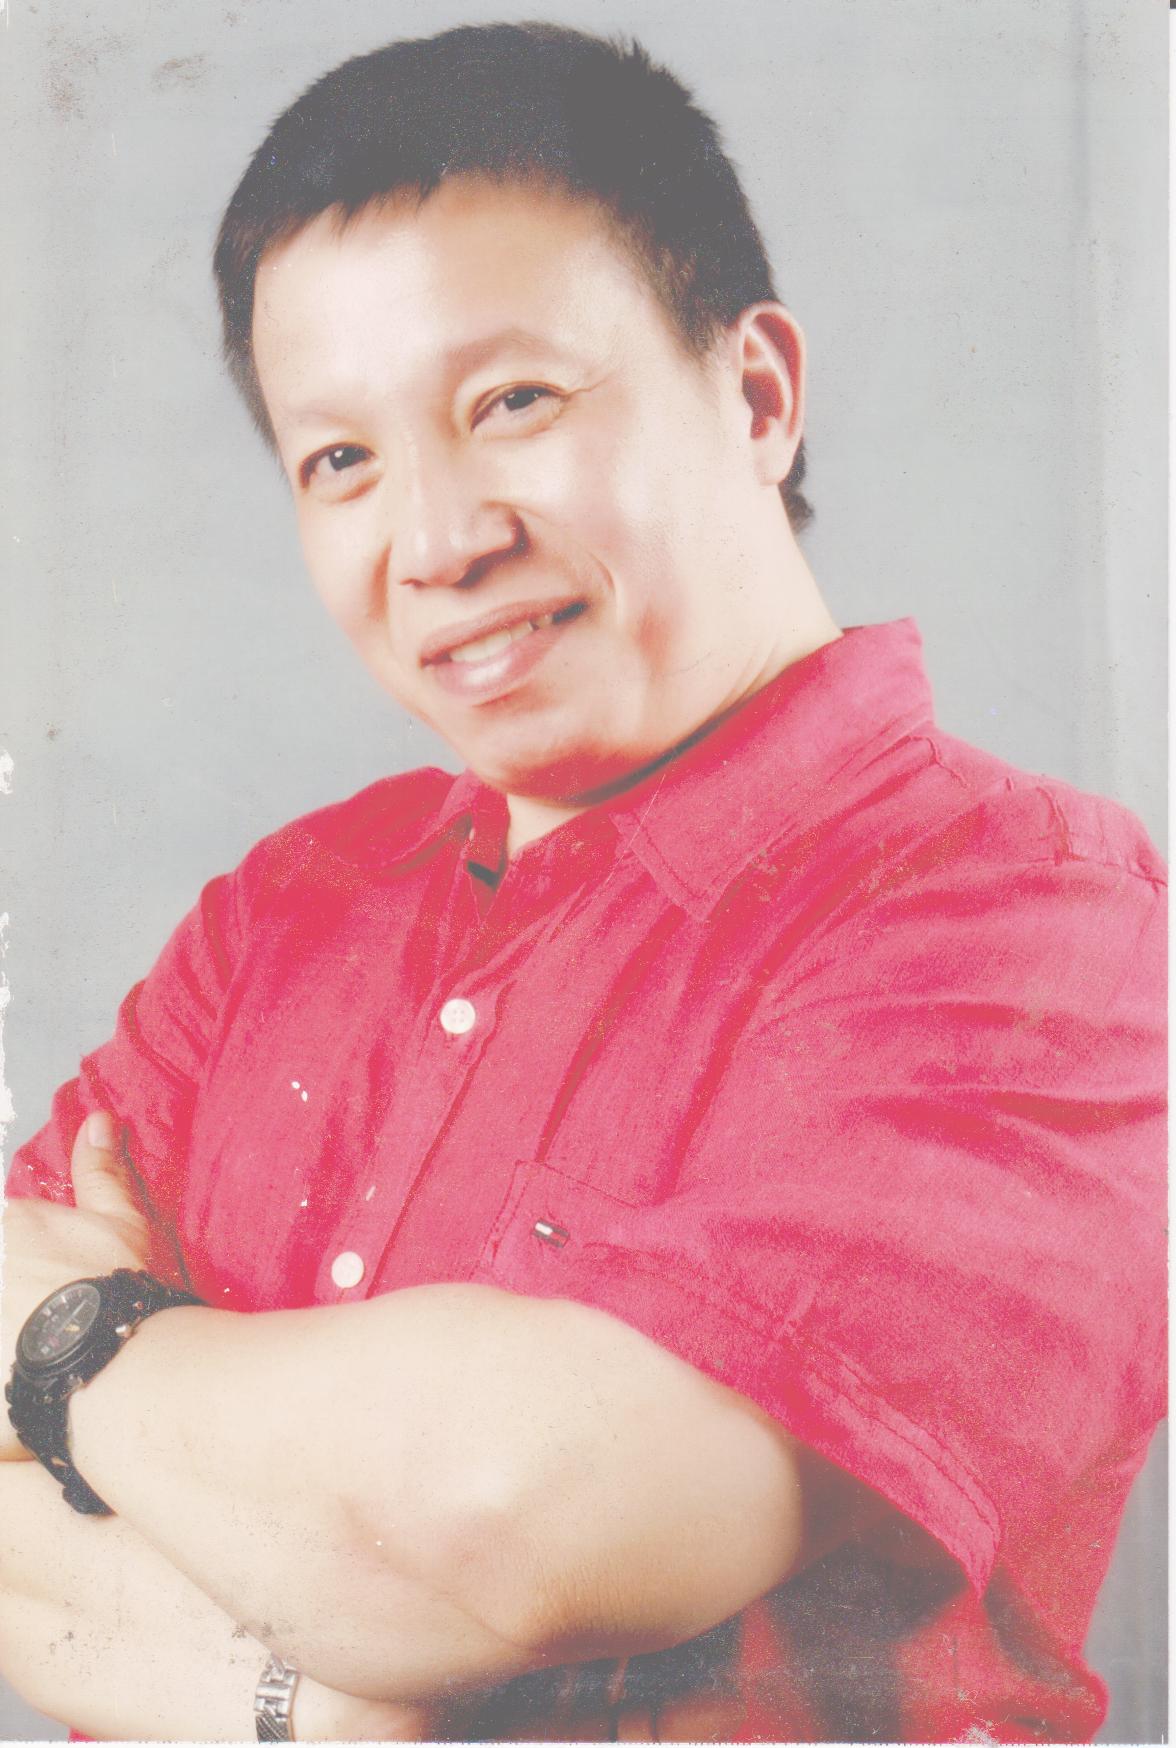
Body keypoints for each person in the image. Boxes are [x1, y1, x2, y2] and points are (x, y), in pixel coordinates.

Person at [0, 21, 1164, 1744]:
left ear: (757, 392)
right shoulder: (284, 913)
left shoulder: (1028, 917)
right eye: (340, 461)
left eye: (514, 403)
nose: (437, 541)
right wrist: (315, 1714)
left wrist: (70, 1338)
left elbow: (516, 1531)